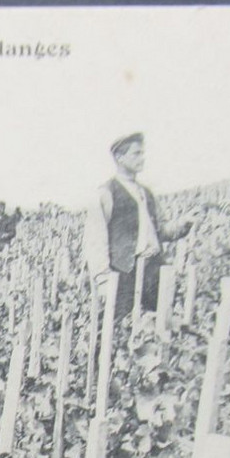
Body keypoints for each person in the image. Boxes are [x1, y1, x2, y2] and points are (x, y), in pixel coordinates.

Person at [82, 132, 195, 320]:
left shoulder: (146, 192)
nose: (142, 158)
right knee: (119, 328)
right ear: (119, 157)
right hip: (125, 273)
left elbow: (162, 231)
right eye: (136, 154)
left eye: (143, 153)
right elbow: (95, 240)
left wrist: (184, 224)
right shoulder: (105, 193)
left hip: (154, 269)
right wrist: (103, 279)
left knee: (160, 324)